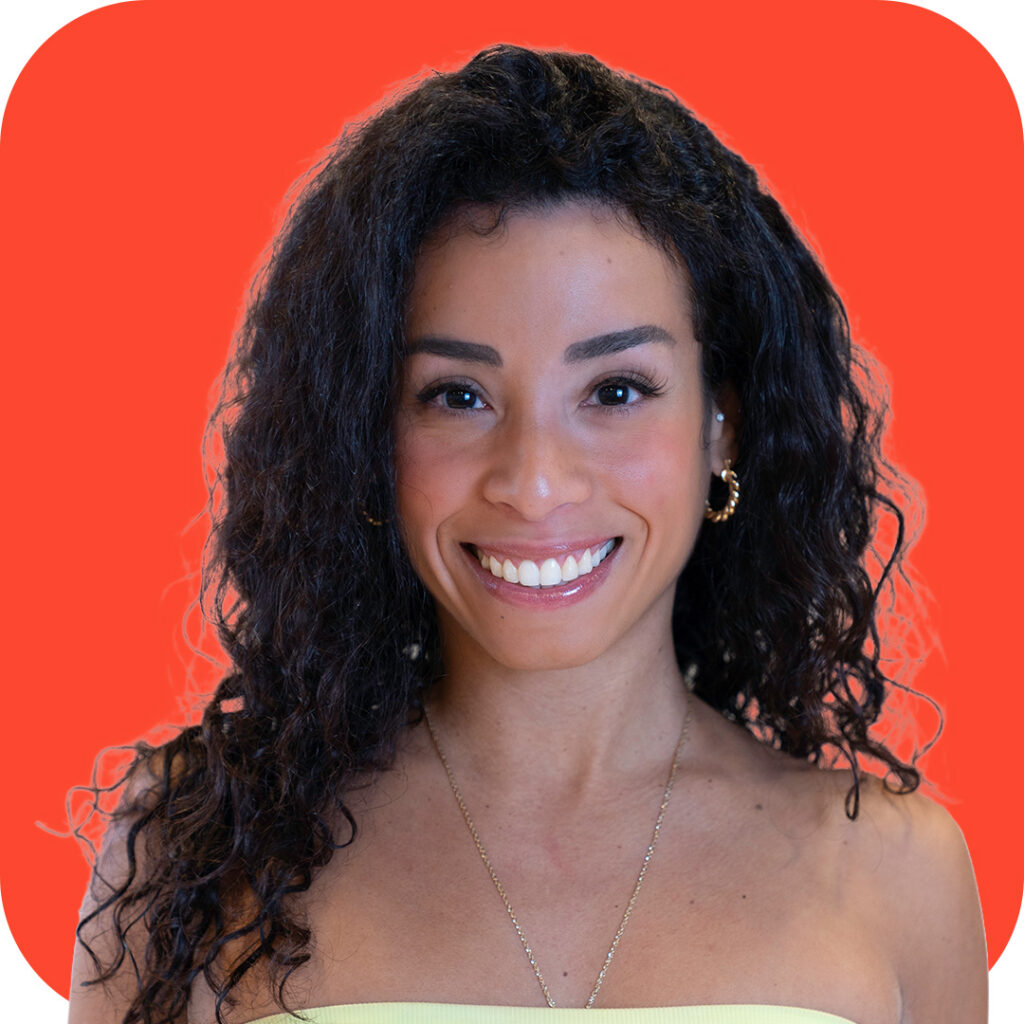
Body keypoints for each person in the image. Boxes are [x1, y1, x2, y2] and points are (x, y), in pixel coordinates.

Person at [68, 44, 987, 1024]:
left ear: (721, 423)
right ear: (365, 434)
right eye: (456, 395)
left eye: (615, 390)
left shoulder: (899, 875)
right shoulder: (195, 851)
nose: (535, 482)